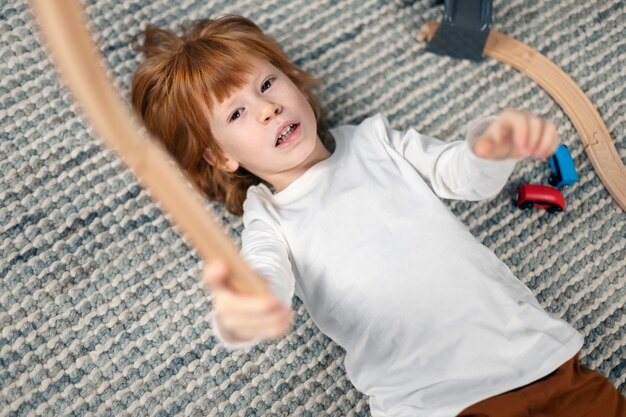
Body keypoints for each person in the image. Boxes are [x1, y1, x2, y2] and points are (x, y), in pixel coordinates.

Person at [130, 15, 626, 417]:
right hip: (434, 402)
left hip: (543, 361)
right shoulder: (270, 218)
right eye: (236, 115)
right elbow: (265, 276)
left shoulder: (375, 141)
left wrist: (490, 147)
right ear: (221, 159)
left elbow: (461, 176)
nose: (266, 110)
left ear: (294, 82)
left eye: (266, 84)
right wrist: (246, 310)